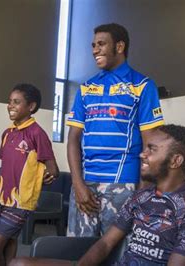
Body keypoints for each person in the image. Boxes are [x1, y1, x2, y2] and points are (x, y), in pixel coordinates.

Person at [11, 124, 185, 266]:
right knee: (18, 263)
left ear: (175, 161)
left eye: (151, 150)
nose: (142, 154)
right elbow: (105, 243)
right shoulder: (142, 197)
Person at [66, 23, 165, 238]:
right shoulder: (86, 88)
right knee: (79, 253)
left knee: (118, 255)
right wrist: (78, 184)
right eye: (93, 45)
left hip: (123, 183)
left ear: (119, 46)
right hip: (85, 184)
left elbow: (152, 143)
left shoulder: (142, 85)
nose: (94, 50)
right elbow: (73, 139)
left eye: (101, 44)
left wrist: (143, 191)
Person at [0, 84, 59, 266]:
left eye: (16, 102)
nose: (10, 105)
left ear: (31, 107)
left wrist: (46, 176)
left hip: (20, 201)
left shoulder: (37, 133)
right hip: (0, 197)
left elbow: (53, 169)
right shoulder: (7, 133)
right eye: (10, 101)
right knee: (8, 241)